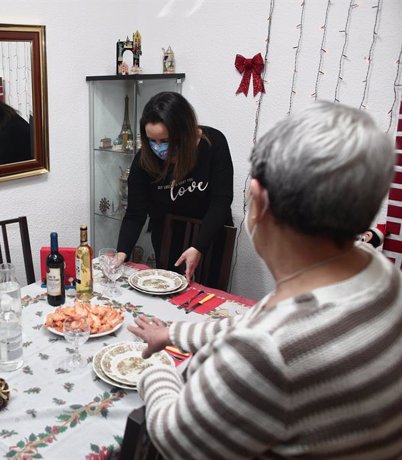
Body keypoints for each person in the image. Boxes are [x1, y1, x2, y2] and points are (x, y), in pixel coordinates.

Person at [128, 101, 401, 459]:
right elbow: (256, 323)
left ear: (258, 201)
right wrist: (174, 334)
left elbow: (175, 437)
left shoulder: (267, 352)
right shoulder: (378, 270)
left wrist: (155, 370)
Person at [115, 92, 233, 284]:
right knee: (169, 297)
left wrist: (198, 246)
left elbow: (221, 200)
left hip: (209, 235)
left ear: (184, 132)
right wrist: (122, 252)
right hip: (168, 238)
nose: (158, 147)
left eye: (166, 141)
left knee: (206, 301)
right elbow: (135, 213)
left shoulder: (213, 143)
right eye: (152, 141)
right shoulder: (144, 160)